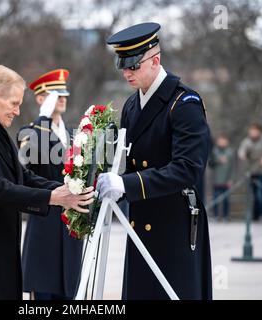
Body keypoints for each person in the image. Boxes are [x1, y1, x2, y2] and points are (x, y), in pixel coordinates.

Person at [0, 65, 94, 300]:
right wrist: (53, 198)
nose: (17, 111)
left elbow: (22, 177)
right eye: (14, 103)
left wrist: (64, 190)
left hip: (0, 257)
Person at [97, 22, 212, 299]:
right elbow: (127, 161)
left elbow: (187, 169)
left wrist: (126, 185)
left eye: (133, 65)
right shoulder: (131, 105)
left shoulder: (184, 103)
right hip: (140, 222)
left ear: (155, 60)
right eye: (123, 66)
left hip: (173, 225)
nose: (127, 72)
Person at [17, 69, 83, 300]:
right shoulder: (30, 132)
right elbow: (26, 163)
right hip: (45, 226)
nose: (63, 98)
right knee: (44, 297)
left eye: (64, 94)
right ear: (40, 99)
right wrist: (42, 120)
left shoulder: (73, 135)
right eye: (56, 95)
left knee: (70, 294)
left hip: (70, 227)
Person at [238, 123, 262, 220]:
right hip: (251, 171)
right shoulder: (247, 141)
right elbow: (241, 151)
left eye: (255, 131)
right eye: (252, 131)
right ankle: (255, 216)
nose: (253, 133)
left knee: (261, 193)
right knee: (254, 194)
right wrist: (242, 155)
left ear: (259, 132)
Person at [208, 133, 234, 221]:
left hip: (226, 180)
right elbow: (210, 163)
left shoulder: (230, 152)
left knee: (226, 199)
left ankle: (226, 216)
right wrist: (218, 160)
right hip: (216, 179)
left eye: (224, 141)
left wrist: (231, 179)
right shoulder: (214, 151)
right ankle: (215, 215)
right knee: (215, 198)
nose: (222, 143)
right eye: (220, 141)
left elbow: (233, 167)